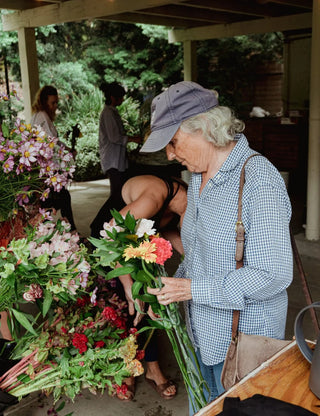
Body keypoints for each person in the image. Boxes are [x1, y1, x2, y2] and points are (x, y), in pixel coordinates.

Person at [140, 81, 293, 413]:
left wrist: (194, 289)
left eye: (173, 142)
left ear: (205, 129)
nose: (169, 154)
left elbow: (274, 274)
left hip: (245, 346)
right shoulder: (198, 177)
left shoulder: (258, 181)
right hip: (204, 336)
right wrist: (168, 293)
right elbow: (198, 253)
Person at [100, 174, 188, 401]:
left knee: (149, 306)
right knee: (128, 309)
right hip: (109, 247)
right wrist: (128, 285)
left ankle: (151, 368)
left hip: (135, 245)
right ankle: (128, 369)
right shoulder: (155, 197)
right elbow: (112, 235)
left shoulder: (178, 207)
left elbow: (167, 231)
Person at [90, 82, 140, 238]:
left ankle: (108, 226)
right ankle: (98, 226)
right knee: (116, 196)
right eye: (121, 97)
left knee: (118, 195)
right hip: (112, 161)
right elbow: (114, 137)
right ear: (113, 97)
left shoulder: (112, 112)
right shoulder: (108, 113)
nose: (122, 100)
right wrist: (133, 139)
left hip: (117, 160)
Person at [30, 85, 77, 231]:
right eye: (53, 103)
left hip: (47, 170)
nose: (55, 106)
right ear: (44, 102)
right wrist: (65, 153)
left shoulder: (40, 116)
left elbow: (53, 140)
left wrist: (67, 149)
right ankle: (70, 231)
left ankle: (69, 230)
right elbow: (51, 143)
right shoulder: (42, 116)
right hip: (48, 170)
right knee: (58, 200)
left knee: (58, 200)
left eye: (56, 102)